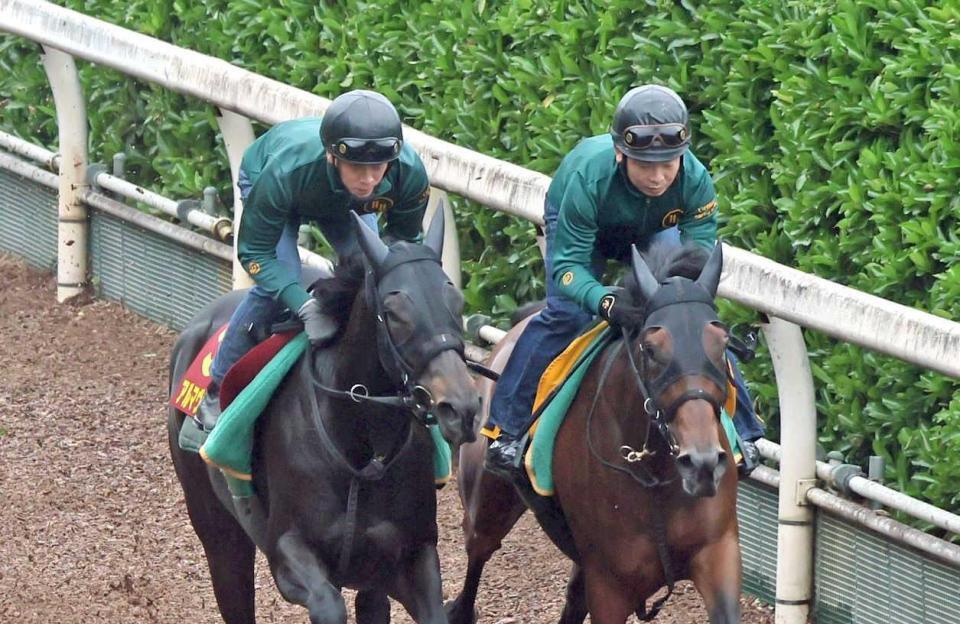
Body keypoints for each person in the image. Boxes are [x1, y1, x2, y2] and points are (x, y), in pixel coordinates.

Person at [484, 84, 764, 477]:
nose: (658, 177)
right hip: (589, 231)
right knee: (566, 316)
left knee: (693, 324)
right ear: (620, 153)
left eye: (669, 164)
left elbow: (696, 264)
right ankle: (507, 430)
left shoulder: (696, 180)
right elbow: (568, 269)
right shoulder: (588, 179)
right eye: (645, 165)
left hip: (652, 230)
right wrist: (605, 301)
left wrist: (679, 301)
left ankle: (747, 432)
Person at [195, 89, 431, 431]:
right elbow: (255, 253)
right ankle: (217, 391)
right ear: (333, 157)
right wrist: (303, 305)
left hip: (339, 202)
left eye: (377, 167)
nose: (367, 180)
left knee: (372, 268)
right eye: (356, 167)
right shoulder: (286, 170)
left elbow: (406, 246)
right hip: (277, 184)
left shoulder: (409, 172)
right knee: (283, 273)